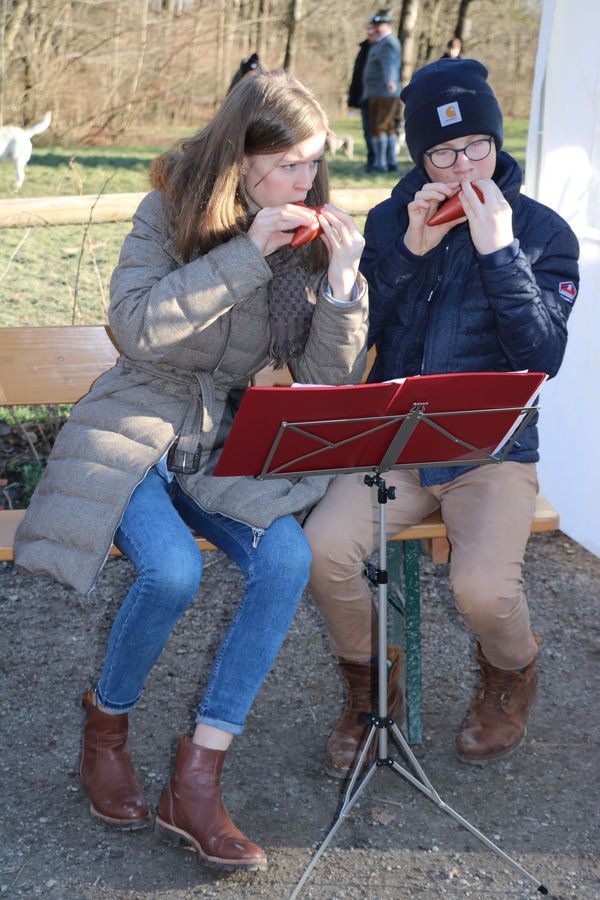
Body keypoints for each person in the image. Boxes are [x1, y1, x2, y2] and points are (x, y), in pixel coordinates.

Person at [14, 71, 368, 871]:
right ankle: (105, 726)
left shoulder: (306, 244)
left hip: (219, 441)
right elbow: (137, 328)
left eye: (312, 164)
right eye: (288, 165)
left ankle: (198, 776)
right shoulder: (165, 211)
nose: (304, 182)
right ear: (241, 160)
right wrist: (247, 254)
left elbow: (320, 383)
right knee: (171, 572)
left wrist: (343, 291)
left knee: (286, 557)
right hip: (135, 424)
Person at [304, 57, 579, 777]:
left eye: (476, 147)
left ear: (498, 142)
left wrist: (501, 254)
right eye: (443, 153)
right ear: (419, 155)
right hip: (394, 444)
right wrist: (405, 256)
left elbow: (543, 353)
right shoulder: (393, 219)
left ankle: (511, 668)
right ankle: (373, 685)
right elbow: (357, 337)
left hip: (492, 450)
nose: (462, 167)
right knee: (322, 548)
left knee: (482, 592)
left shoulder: (544, 232)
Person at [362, 9, 402, 173]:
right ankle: (390, 161)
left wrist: (390, 80)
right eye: (375, 25)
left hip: (383, 92)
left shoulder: (388, 44)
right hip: (379, 92)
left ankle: (381, 163)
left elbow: (389, 64)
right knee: (387, 128)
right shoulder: (380, 42)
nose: (376, 28)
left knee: (380, 128)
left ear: (387, 25)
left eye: (379, 25)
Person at [347, 20, 378, 171]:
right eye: (369, 30)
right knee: (367, 131)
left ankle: (377, 162)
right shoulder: (364, 48)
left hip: (377, 97)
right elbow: (357, 74)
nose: (371, 33)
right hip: (364, 97)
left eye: (374, 30)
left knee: (376, 131)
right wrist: (353, 97)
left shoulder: (381, 49)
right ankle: (372, 160)